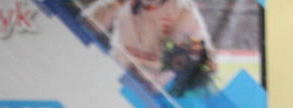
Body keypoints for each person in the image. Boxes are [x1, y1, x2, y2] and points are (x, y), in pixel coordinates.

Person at [83, 0, 216, 95]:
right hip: (109, 70)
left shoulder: (185, 12)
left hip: (142, 92)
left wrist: (189, 60)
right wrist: (116, 4)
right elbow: (84, 27)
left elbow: (209, 63)